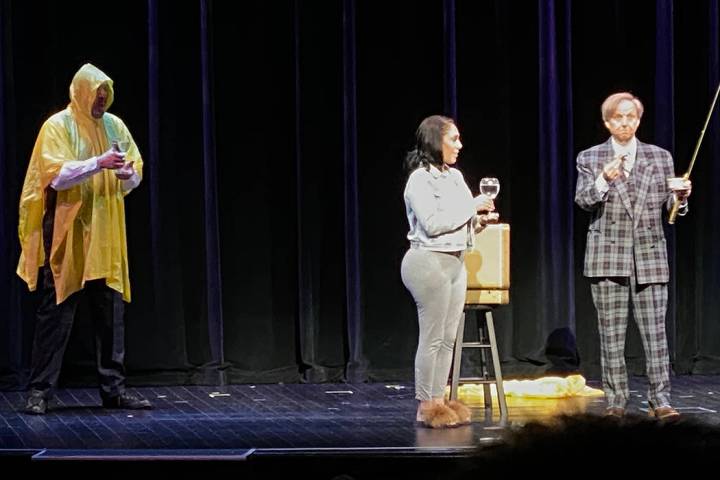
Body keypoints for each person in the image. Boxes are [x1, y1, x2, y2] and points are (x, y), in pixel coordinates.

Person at [17, 63, 152, 414]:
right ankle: (40, 391)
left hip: (105, 237)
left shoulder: (114, 126)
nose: (101, 102)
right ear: (81, 92)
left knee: (111, 318)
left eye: (106, 96)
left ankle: (114, 391)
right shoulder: (57, 126)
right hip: (69, 236)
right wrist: (99, 162)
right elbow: (56, 176)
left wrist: (126, 173)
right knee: (56, 317)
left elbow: (134, 172)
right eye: (96, 95)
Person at [575, 92, 691, 420]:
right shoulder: (591, 157)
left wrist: (680, 198)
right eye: (618, 118)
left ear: (638, 120)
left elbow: (670, 208)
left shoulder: (660, 157)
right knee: (611, 334)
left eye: (630, 117)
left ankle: (661, 399)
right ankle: (616, 400)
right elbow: (583, 200)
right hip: (607, 256)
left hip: (650, 256)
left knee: (655, 333)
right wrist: (604, 180)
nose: (625, 123)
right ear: (607, 122)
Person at [400, 115, 495, 428]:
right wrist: (472, 206)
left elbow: (458, 223)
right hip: (428, 262)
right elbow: (433, 223)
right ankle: (426, 404)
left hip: (455, 261)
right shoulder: (419, 180)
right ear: (435, 141)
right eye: (453, 139)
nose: (459, 145)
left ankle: (439, 400)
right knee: (431, 337)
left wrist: (476, 224)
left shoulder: (455, 177)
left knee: (448, 339)